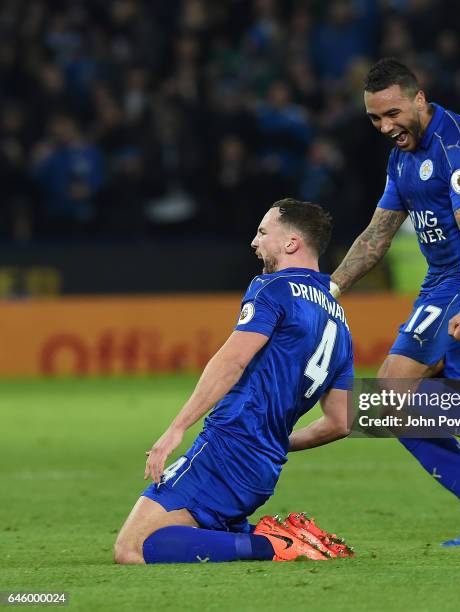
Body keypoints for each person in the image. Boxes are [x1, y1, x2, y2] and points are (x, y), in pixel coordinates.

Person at [329, 58, 460, 546]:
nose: (386, 127)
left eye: (392, 114)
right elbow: (376, 236)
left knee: (399, 397)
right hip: (440, 284)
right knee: (400, 406)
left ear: (419, 99)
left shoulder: (459, 147)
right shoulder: (402, 158)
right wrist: (330, 288)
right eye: (375, 119)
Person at [114, 198, 354, 564]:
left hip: (229, 444)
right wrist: (278, 442)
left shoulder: (272, 288)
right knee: (195, 530)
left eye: (262, 232)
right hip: (264, 465)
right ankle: (266, 535)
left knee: (132, 548)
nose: (254, 242)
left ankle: (276, 545)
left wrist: (177, 428)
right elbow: (340, 422)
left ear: (291, 244)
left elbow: (231, 362)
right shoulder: (341, 322)